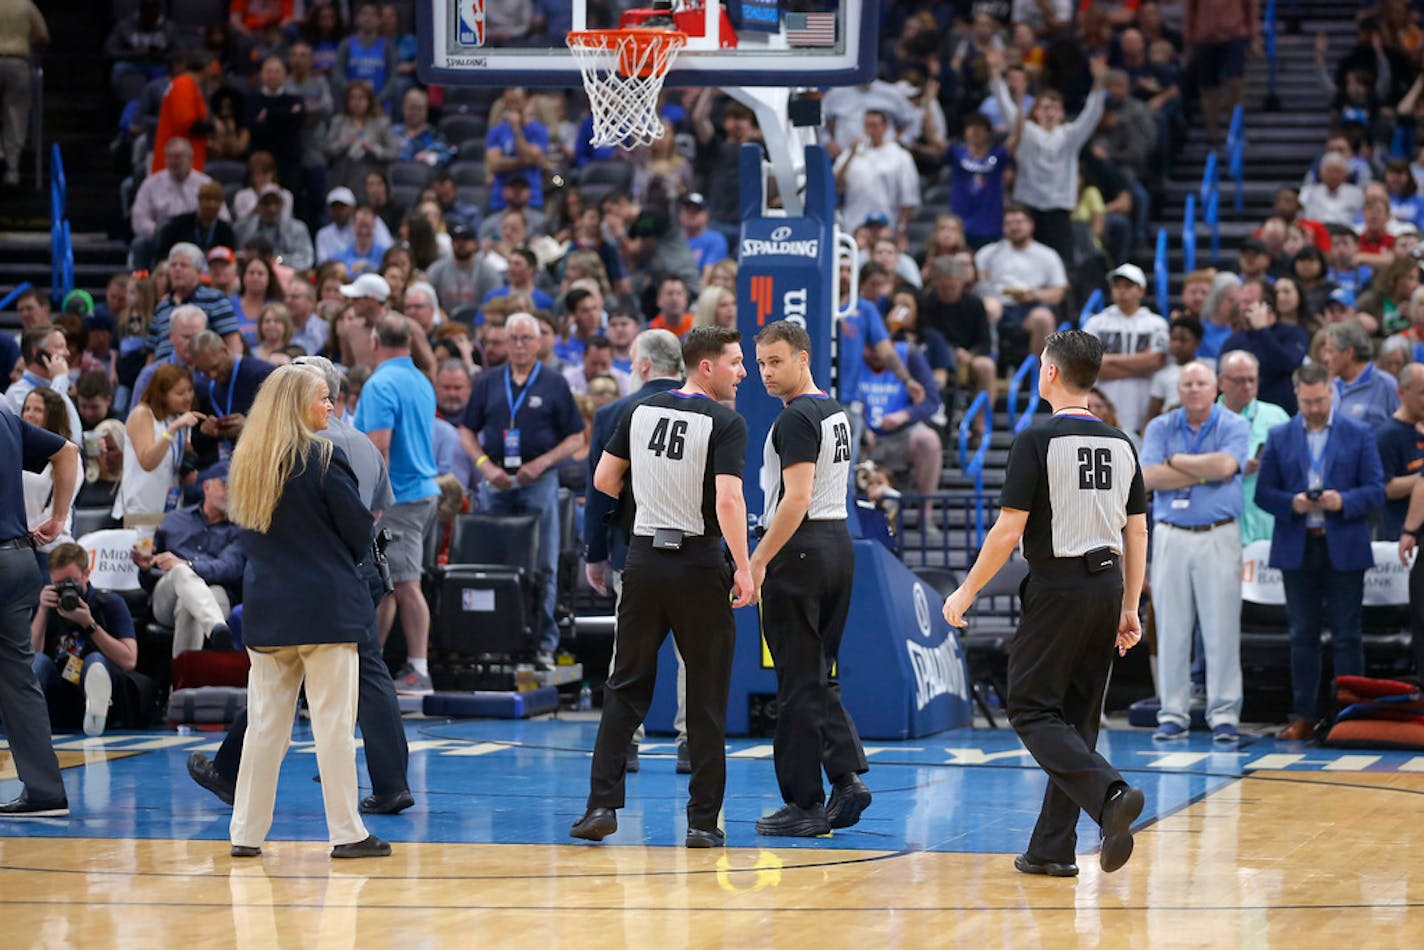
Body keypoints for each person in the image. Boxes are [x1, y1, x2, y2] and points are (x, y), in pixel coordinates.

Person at [941, 329, 1148, 877]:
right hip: (1106, 586)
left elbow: (1009, 529)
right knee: (1077, 720)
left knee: (1030, 707)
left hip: (1058, 587)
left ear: (1051, 373)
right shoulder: (1123, 443)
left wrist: (967, 589)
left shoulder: (1037, 439)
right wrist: (1131, 606)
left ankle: (1109, 794)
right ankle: (1052, 849)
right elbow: (1138, 533)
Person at [188, 355, 412, 817]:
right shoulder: (364, 446)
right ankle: (389, 786)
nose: (327, 406)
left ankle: (244, 801)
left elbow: (254, 524)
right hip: (353, 574)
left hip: (299, 583)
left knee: (277, 702)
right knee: (367, 681)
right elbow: (375, 513)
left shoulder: (279, 450)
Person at [570, 326, 756, 848]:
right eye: (736, 363)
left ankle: (600, 806)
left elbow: (605, 482)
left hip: (645, 560)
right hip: (698, 563)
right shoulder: (726, 421)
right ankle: (701, 822)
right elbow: (728, 502)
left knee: (625, 688)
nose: (743, 373)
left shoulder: (636, 412)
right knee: (706, 694)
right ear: (705, 368)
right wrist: (744, 567)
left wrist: (648, 495)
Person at [226, 364, 390, 859]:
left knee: (265, 728)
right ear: (297, 403)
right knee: (333, 727)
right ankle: (347, 833)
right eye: (322, 398)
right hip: (326, 610)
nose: (331, 406)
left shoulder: (248, 460)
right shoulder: (322, 456)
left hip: (267, 612)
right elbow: (359, 531)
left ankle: (245, 833)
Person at [748, 321, 870, 837]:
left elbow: (795, 499)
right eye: (759, 364)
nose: (765, 373)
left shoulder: (796, 418)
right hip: (837, 546)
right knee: (819, 674)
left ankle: (805, 804)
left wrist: (755, 563)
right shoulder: (834, 409)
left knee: (798, 684)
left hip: (798, 551)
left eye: (775, 362)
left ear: (803, 358)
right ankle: (845, 778)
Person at [1255, 362, 1385, 741]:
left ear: (1332, 393)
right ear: (1297, 394)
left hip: (1343, 544)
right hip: (1299, 545)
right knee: (1302, 635)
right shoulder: (1279, 436)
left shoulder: (1358, 433)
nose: (1313, 408)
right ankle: (1305, 715)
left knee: (1347, 635)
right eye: (1307, 401)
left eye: (1319, 400)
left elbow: (1376, 489)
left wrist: (1341, 500)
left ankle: (1349, 716)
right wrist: (1292, 503)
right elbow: (1264, 494)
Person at [583, 329, 690, 772]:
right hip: (694, 547)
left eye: (630, 362)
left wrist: (595, 551)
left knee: (629, 650)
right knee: (694, 651)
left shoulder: (613, 412)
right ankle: (691, 742)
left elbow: (599, 492)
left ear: (644, 365)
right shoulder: (703, 408)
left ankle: (624, 742)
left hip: (634, 548)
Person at [459, 312, 583, 667]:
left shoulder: (554, 383)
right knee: (493, 561)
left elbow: (576, 437)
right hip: (496, 482)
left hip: (537, 480)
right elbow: (467, 431)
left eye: (526, 338)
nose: (518, 345)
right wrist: (485, 467)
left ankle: (544, 642)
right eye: (512, 338)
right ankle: (494, 638)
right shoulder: (488, 382)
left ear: (540, 342)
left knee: (542, 561)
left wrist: (542, 464)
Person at [1140, 362, 1250, 742]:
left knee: (1221, 627)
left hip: (1218, 533)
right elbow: (1149, 477)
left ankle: (1224, 715)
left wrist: (1176, 463)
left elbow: (1226, 466)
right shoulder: (1159, 427)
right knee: (1171, 626)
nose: (1194, 389)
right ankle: (1172, 713)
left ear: (1215, 387)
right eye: (1187, 384)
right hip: (1171, 533)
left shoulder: (1233, 424)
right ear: (1179, 390)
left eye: (1201, 383)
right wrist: (1201, 470)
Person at [353, 314, 439, 694]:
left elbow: (379, 445)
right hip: (421, 491)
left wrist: (374, 500)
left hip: (397, 498)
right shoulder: (420, 379)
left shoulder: (380, 383)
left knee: (405, 583)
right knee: (386, 584)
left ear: (374, 342)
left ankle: (419, 671)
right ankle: (372, 665)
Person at [0, 404, 78, 815]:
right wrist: (59, 517)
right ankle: (46, 791)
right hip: (16, 560)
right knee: (18, 683)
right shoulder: (6, 415)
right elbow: (68, 450)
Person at [132, 460, 243, 656]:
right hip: (167, 594)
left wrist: (188, 564)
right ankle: (216, 627)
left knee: (188, 605)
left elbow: (230, 568)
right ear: (206, 486)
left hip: (215, 592)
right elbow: (149, 577)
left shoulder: (240, 529)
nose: (232, 493)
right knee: (180, 572)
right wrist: (146, 568)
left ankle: (182, 682)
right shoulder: (175, 519)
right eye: (226, 486)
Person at [28, 541, 136, 737]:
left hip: (100, 696)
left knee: (95, 662)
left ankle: (96, 714)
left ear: (86, 574)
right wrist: (43, 611)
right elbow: (29, 658)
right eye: (58, 583)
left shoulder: (109, 603)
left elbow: (129, 661)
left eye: (71, 581)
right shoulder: (47, 605)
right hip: (58, 693)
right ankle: (24, 720)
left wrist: (89, 624)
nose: (65, 588)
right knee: (38, 661)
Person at [1083, 263, 1170, 437]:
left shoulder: (1156, 323)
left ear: (1141, 291)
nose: (1122, 291)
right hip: (1104, 401)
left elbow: (1156, 361)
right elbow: (1089, 365)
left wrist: (1108, 359)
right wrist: (1140, 364)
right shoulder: (1096, 322)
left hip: (1142, 401)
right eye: (1117, 286)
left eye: (1128, 286)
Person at [1218, 350, 1292, 545]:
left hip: (1267, 524)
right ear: (1221, 382)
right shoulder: (1207, 421)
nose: (1247, 387)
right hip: (1221, 526)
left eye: (1252, 380)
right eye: (1239, 381)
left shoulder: (1277, 416)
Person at [118, 363, 199, 533]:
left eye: (190, 390)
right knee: (142, 558)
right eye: (179, 393)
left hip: (170, 510)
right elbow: (147, 462)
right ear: (162, 395)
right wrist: (173, 428)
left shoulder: (179, 418)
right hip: (141, 512)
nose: (187, 397)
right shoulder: (143, 414)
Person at [1320, 321, 1399, 432]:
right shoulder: (1330, 387)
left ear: (1348, 352)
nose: (1325, 358)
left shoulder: (1387, 385)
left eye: (1330, 351)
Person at [1376, 364, 1424, 542]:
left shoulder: (1420, 428)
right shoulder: (1388, 435)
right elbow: (1384, 488)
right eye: (1422, 393)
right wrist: (1420, 481)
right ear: (1402, 393)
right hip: (1400, 536)